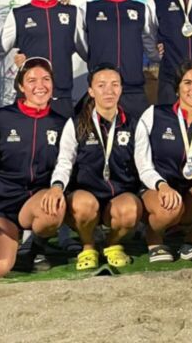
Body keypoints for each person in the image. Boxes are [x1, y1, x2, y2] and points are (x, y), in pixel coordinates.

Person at [0, 57, 68, 277]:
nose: (40, 85)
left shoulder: (62, 123)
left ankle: (35, 248)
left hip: (35, 202)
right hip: (1, 205)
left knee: (53, 207)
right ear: (20, 86)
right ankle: (10, 243)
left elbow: (65, 164)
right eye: (32, 80)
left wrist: (56, 188)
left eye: (46, 79)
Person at [46, 64, 141, 271]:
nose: (109, 90)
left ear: (121, 89)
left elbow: (145, 166)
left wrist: (160, 185)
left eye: (115, 85)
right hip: (85, 195)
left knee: (130, 209)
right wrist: (56, 186)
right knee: (83, 205)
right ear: (90, 91)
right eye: (101, 85)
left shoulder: (133, 124)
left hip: (119, 194)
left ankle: (112, 243)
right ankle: (88, 245)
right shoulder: (77, 123)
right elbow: (64, 162)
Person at [134, 60, 192, 263]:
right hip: (155, 191)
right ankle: (154, 238)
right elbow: (143, 164)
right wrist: (161, 185)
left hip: (187, 193)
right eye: (187, 82)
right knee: (170, 207)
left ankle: (191, 241)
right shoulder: (154, 115)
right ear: (177, 89)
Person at [1, 0, 87, 118]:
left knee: (65, 143)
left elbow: (89, 53)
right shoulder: (18, 15)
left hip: (61, 97)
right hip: (29, 97)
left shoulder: (73, 13)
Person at [84, 0, 148, 121]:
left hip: (134, 89)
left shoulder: (141, 8)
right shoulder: (89, 9)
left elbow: (150, 43)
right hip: (103, 91)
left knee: (137, 142)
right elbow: (82, 46)